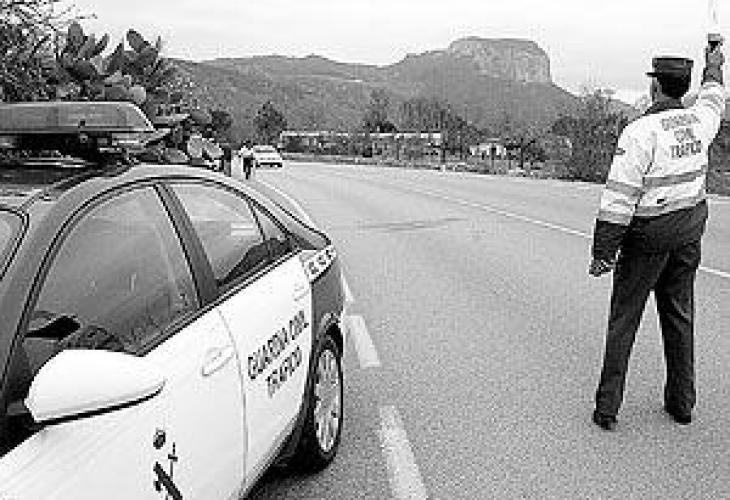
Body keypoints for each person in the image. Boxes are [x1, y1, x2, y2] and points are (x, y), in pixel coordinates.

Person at [589, 38, 726, 431]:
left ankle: (607, 408)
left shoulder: (639, 132)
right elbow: (714, 97)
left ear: (655, 85)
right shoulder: (699, 122)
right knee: (679, 318)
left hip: (646, 242)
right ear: (684, 87)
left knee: (624, 321)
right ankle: (681, 404)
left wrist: (603, 252)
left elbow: (619, 198)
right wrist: (714, 64)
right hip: (687, 237)